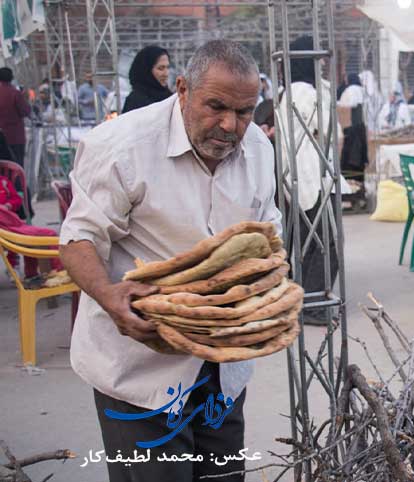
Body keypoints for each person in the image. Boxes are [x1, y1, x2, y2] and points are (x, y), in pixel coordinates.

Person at [58, 40, 281, 482]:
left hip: (222, 366)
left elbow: (268, 236)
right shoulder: (121, 146)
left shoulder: (258, 149)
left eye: (244, 111)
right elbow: (78, 237)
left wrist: (265, 290)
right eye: (215, 106)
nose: (230, 125)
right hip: (140, 372)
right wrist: (109, 295)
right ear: (181, 89)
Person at [276, 35, 341, 326]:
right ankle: (311, 306)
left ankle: (301, 302)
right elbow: (302, 142)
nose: (323, 64)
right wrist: (306, 186)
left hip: (312, 177)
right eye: (317, 59)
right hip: (307, 178)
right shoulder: (301, 91)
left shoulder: (309, 89)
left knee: (312, 244)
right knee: (323, 243)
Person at [0, 176, 62, 279]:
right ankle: (56, 274)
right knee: (45, 236)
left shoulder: (3, 181)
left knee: (45, 236)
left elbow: (17, 199)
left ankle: (33, 275)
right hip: (6, 227)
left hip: (11, 222)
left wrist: (8, 205)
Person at [122, 45, 172, 113]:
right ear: (146, 70)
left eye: (168, 67)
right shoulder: (135, 102)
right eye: (161, 68)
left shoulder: (170, 99)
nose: (166, 74)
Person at [0, 67, 31, 166]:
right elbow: (25, 111)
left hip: (1, 135)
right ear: (11, 78)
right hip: (15, 136)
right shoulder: (15, 93)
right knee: (16, 166)